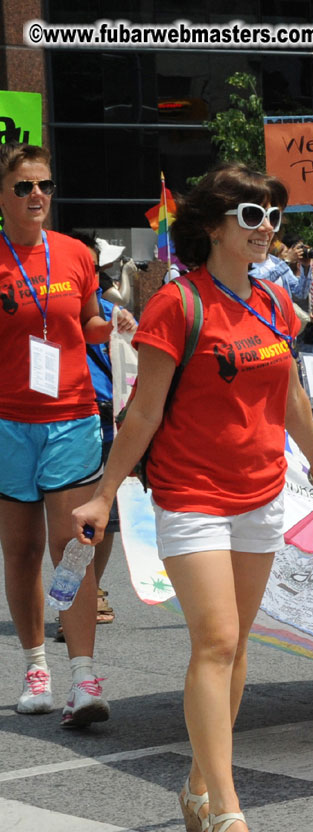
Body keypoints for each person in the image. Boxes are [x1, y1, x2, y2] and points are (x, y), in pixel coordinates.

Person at [72, 162, 313, 832]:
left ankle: (200, 783)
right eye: (252, 216)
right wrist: (103, 497)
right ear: (213, 225)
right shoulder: (177, 303)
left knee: (237, 643)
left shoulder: (276, 302)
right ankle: (227, 810)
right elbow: (141, 414)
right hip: (190, 494)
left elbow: (289, 395)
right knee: (216, 639)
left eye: (273, 216)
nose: (266, 229)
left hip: (260, 492)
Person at [0, 144, 137, 726]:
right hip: (8, 422)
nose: (38, 197)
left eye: (46, 186)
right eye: (25, 187)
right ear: (3, 194)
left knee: (72, 547)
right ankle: (36, 668)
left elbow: (87, 321)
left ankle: (84, 676)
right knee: (23, 551)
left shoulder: (76, 254)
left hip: (74, 417)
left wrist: (114, 323)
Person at [65, 231, 123, 630]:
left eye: (91, 262)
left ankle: (93, 589)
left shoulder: (112, 311)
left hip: (109, 419)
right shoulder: (52, 311)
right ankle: (69, 599)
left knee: (107, 514)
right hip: (66, 419)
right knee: (68, 517)